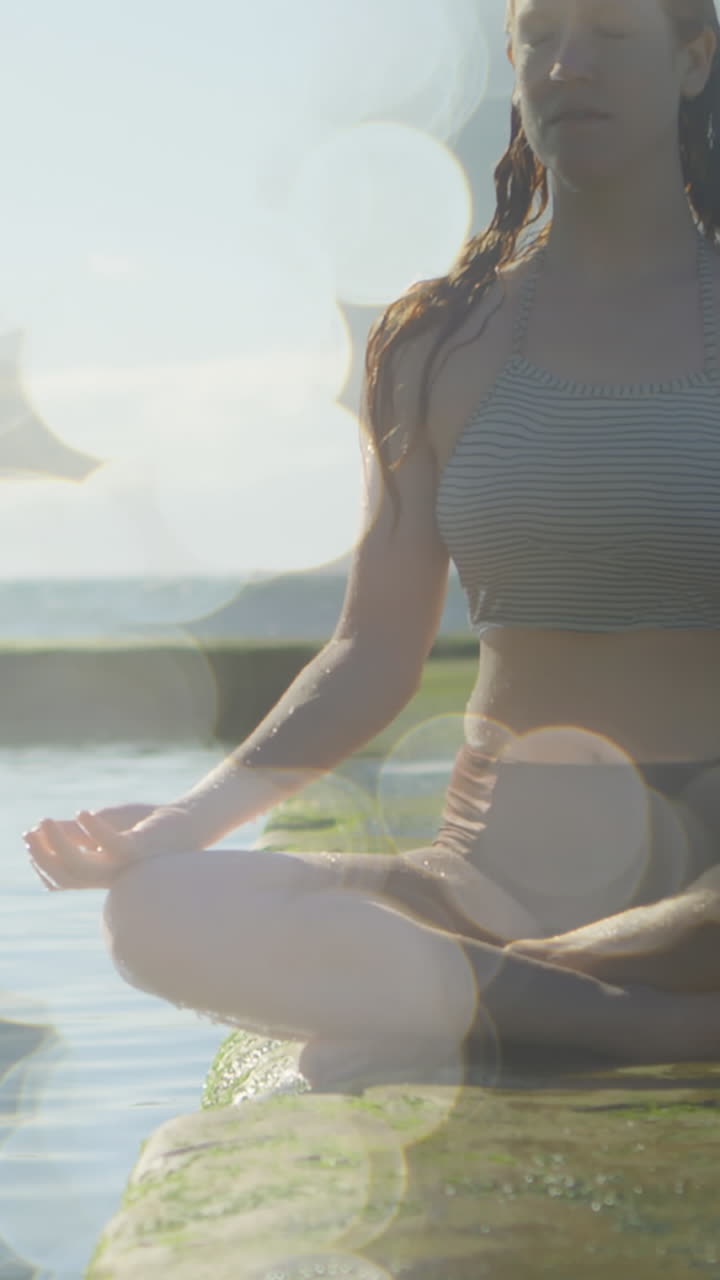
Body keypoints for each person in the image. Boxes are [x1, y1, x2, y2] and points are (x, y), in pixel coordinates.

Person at [22, 0, 720, 1083]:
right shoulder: (439, 341)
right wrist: (182, 819)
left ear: (694, 60)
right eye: (540, 35)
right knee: (155, 910)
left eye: (614, 33)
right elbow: (372, 649)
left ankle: (498, 1001)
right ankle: (642, 1024)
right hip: (489, 879)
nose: (569, 64)